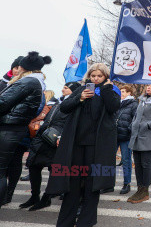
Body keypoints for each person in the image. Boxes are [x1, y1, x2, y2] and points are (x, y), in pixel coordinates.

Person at [45, 63, 121, 227]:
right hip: (77, 144)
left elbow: (114, 107)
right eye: (93, 76)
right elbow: (64, 107)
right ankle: (66, 220)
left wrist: (107, 89)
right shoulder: (81, 90)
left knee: (92, 184)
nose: (95, 79)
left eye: (99, 76)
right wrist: (79, 98)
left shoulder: (111, 90)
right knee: (73, 182)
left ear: (105, 77)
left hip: (97, 146)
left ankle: (86, 221)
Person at [0, 52, 50, 208]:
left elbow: (3, 102)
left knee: (2, 170)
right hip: (14, 128)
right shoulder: (35, 82)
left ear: (24, 67)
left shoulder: (28, 82)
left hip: (10, 128)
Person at [21, 82, 80, 211]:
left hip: (56, 141)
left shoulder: (74, 105)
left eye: (66, 88)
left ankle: (46, 198)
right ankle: (34, 196)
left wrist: (62, 136)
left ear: (73, 91)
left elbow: (72, 123)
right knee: (34, 166)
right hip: (42, 138)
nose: (63, 89)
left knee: (54, 171)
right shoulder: (59, 102)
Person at [127, 84, 151, 204]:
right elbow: (136, 115)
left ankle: (145, 190)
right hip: (136, 135)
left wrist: (148, 125)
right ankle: (139, 189)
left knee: (145, 163)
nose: (148, 88)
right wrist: (133, 124)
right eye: (147, 86)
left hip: (147, 135)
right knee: (137, 163)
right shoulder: (142, 99)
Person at [114, 84, 138, 195]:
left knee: (126, 160)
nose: (121, 93)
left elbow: (135, 119)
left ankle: (126, 183)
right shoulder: (118, 103)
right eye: (121, 91)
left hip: (126, 137)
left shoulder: (133, 104)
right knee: (108, 160)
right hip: (114, 135)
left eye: (124, 91)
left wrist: (129, 130)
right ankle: (107, 184)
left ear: (129, 93)